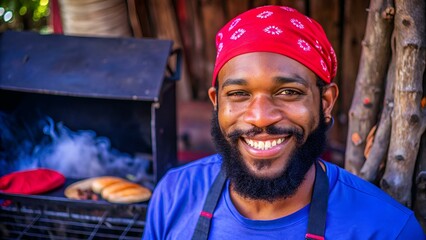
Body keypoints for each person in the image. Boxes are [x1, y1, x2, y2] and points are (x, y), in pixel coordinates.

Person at [142, 5, 424, 240]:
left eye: (289, 92)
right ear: (217, 103)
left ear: (325, 102)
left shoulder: (386, 229)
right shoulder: (174, 195)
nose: (261, 117)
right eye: (239, 94)